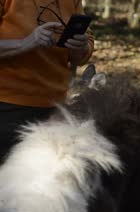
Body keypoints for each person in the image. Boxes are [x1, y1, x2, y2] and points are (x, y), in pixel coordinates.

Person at [0, 0, 94, 161]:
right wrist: (24, 43)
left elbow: (81, 53)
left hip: (56, 110)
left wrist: (81, 46)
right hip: (7, 105)